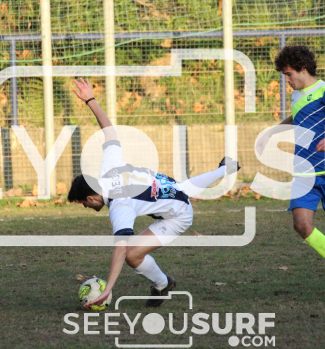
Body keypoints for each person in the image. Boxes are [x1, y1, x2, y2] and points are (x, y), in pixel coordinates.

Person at [68, 78, 240, 308]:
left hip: (177, 217)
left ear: (91, 197)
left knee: (132, 255)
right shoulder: (109, 170)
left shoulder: (119, 206)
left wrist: (108, 288)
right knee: (182, 189)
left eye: (83, 203)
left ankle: (163, 284)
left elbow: (120, 249)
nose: (85, 207)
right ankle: (224, 169)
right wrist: (90, 99)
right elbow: (109, 132)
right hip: (171, 189)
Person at [256, 45, 325, 295]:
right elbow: (298, 118)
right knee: (301, 225)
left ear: (303, 69)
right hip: (305, 173)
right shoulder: (297, 95)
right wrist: (272, 132)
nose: (287, 80)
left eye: (289, 74)